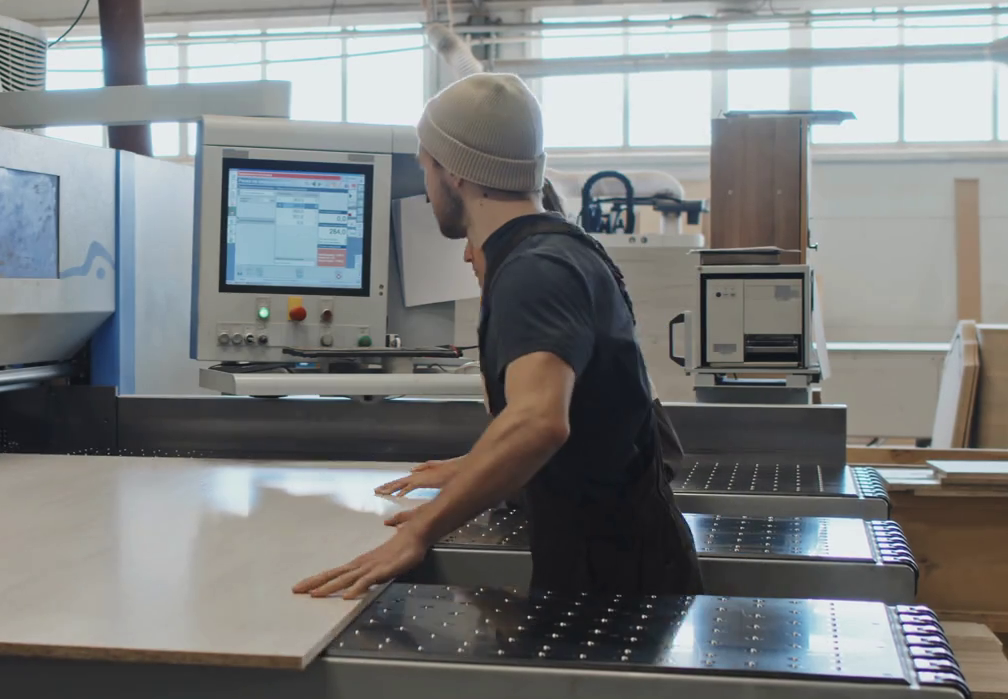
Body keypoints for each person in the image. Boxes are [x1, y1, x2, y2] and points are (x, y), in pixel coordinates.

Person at [294, 73, 704, 600]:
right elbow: (589, 418)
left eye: (426, 165)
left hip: (616, 581)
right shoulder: (558, 248)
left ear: (457, 173)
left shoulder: (536, 270)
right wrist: (474, 469)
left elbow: (538, 422)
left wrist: (420, 531)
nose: (425, 185)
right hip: (617, 560)